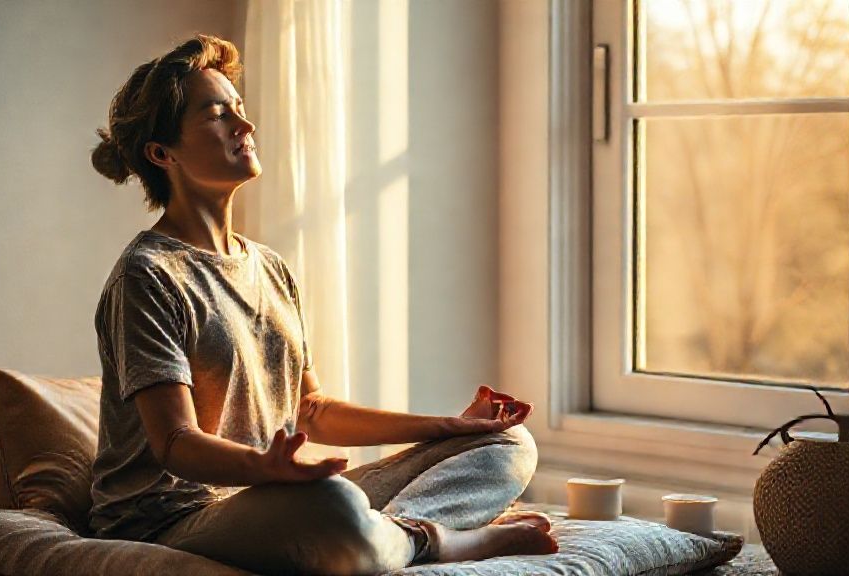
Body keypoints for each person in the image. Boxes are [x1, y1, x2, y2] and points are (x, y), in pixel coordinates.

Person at [87, 33, 558, 575]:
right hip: (172, 516)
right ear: (162, 153)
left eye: (239, 110)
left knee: (508, 445)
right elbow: (175, 443)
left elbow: (313, 412)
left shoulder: (269, 266)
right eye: (218, 115)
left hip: (274, 496)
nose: (246, 126)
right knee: (333, 504)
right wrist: (267, 466)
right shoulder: (147, 276)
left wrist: (448, 427)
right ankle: (443, 540)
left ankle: (398, 536)